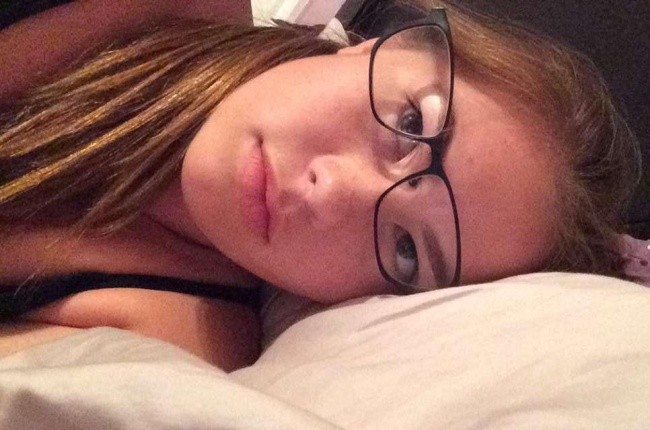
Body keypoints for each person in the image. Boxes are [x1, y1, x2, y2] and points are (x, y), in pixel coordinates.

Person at [0, 0, 641, 370]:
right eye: (411, 122)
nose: (330, 188)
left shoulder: (173, 337)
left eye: (407, 250)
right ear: (370, 46)